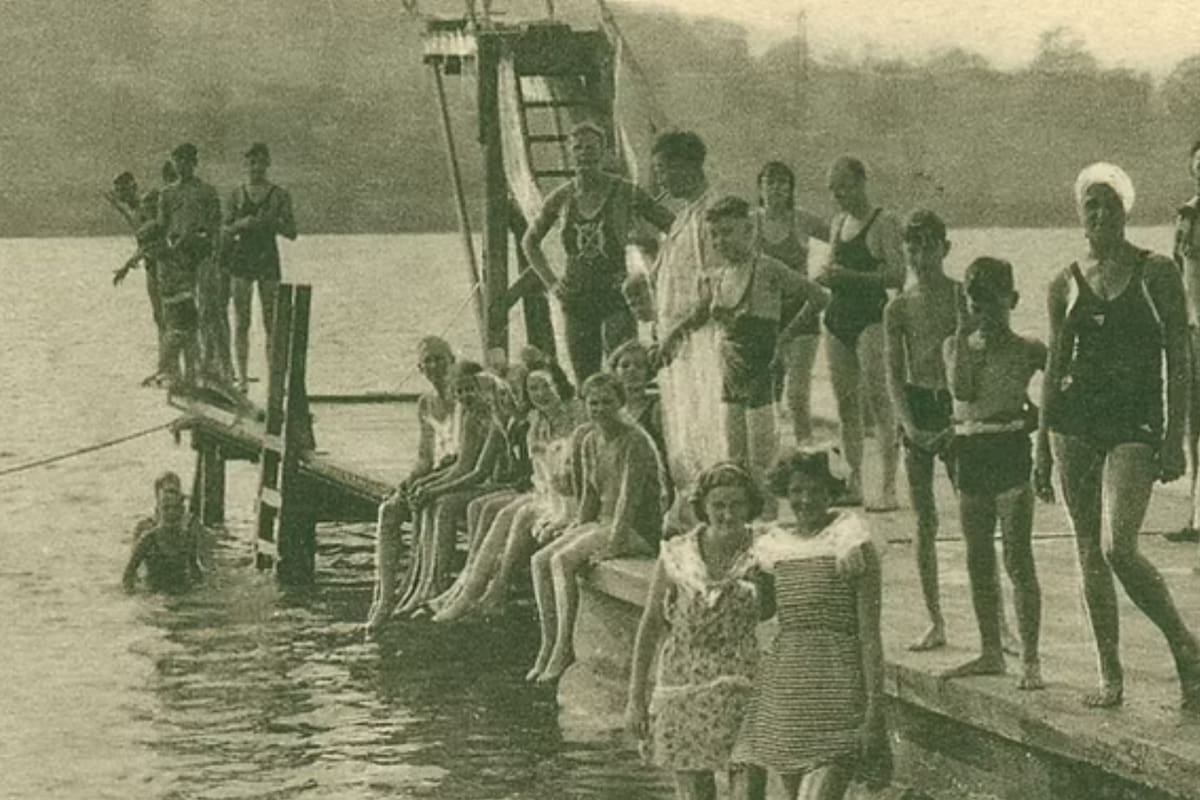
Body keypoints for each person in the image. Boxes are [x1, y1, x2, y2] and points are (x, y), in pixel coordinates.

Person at [1037, 162, 1200, 709]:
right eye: (1091, 205)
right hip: (1074, 424)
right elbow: (1055, 369)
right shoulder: (1064, 281)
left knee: (1119, 547)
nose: (1100, 214)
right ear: (1081, 215)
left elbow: (1180, 360)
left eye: (1109, 204)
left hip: (1135, 422)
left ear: (1125, 211)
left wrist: (1176, 436)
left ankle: (1184, 644)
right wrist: (1040, 448)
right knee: (1087, 550)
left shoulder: (1156, 273)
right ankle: (1110, 674)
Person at [732, 446, 889, 800]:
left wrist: (874, 713)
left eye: (814, 489)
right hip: (787, 692)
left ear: (831, 491)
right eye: (796, 490)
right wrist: (746, 582)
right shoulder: (775, 547)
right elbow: (761, 613)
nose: (804, 499)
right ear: (785, 493)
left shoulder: (853, 544)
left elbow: (870, 636)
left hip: (837, 690)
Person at [661, 196, 829, 495]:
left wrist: (785, 337)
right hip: (730, 380)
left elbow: (818, 296)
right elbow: (698, 316)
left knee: (762, 465)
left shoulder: (766, 270)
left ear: (749, 230)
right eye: (713, 234)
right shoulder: (718, 277)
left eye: (727, 232)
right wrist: (670, 338)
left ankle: (767, 528)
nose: (719, 241)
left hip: (760, 377)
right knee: (733, 462)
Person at [626, 462, 771, 800]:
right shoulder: (677, 553)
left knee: (749, 789)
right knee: (694, 793)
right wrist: (635, 699)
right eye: (718, 505)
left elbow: (774, 611)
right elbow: (649, 626)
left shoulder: (765, 550)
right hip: (683, 682)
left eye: (736, 504)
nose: (727, 513)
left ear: (750, 505)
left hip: (742, 679)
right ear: (703, 506)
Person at [941, 258, 1045, 690]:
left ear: (1012, 300)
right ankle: (990, 650)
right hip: (971, 451)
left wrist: (1039, 418)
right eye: (975, 301)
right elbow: (962, 389)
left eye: (992, 300)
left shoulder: (1029, 348)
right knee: (978, 556)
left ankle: (1032, 659)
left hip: (1009, 449)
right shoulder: (955, 345)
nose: (983, 309)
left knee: (1017, 556)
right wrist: (967, 332)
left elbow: (1060, 392)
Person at [527, 372, 666, 682]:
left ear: (620, 402)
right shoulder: (590, 440)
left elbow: (628, 502)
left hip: (636, 529)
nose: (599, 408)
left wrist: (612, 546)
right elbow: (589, 495)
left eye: (607, 402)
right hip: (604, 521)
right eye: (593, 402)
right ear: (585, 404)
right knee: (540, 560)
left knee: (563, 560)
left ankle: (564, 648)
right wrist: (576, 527)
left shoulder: (635, 441)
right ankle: (547, 643)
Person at [522, 121, 675, 383]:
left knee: (625, 373)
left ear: (603, 152)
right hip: (576, 297)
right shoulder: (562, 197)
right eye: (578, 148)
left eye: (591, 148)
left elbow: (674, 227)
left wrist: (653, 273)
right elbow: (530, 243)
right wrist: (552, 283)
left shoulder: (625, 191)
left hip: (616, 295)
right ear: (571, 153)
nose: (584, 154)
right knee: (586, 380)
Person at [431, 367, 584, 622]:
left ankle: (494, 591)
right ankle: (468, 590)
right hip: (547, 494)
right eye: (533, 388)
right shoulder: (537, 422)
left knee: (518, 513)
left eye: (546, 386)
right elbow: (541, 473)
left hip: (569, 498)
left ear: (559, 385)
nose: (540, 393)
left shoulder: (575, 416)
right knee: (506, 513)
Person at [882, 208, 957, 652]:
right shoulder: (898, 307)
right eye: (912, 245)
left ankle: (998, 624)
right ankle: (936, 619)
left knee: (975, 519)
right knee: (924, 520)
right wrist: (909, 425)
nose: (919, 253)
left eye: (928, 244)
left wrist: (958, 421)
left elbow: (970, 362)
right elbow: (893, 376)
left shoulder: (960, 297)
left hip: (954, 409)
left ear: (944, 249)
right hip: (917, 407)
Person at [818, 156, 905, 510]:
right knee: (846, 405)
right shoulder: (838, 223)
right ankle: (854, 480)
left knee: (879, 400)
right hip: (838, 317)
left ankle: (887, 485)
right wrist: (827, 275)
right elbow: (834, 269)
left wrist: (847, 277)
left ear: (862, 182)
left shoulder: (883, 222)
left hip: (871, 316)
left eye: (845, 186)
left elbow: (898, 275)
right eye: (833, 189)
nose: (839, 195)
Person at [644, 131, 728, 494]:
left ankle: (711, 497)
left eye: (663, 169)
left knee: (704, 425)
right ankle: (693, 500)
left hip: (699, 340)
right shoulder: (682, 218)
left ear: (687, 166)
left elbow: (716, 290)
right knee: (682, 427)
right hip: (676, 344)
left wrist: (675, 333)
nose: (660, 178)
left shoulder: (711, 215)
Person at [394, 361, 511, 619]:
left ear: (484, 389)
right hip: (485, 484)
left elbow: (480, 472)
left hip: (503, 485)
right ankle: (420, 580)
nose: (464, 397)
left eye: (470, 389)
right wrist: (426, 485)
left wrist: (436, 490)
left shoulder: (495, 420)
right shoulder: (471, 417)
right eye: (458, 391)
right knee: (427, 500)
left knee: (445, 504)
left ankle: (438, 581)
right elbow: (462, 465)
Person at [365, 336, 458, 637]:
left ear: (452, 360)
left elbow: (466, 456)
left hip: (456, 476)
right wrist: (407, 482)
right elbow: (424, 457)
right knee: (389, 510)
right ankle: (386, 594)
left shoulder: (463, 396)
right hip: (436, 475)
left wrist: (430, 482)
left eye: (440, 359)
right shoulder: (425, 403)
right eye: (428, 361)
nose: (434, 366)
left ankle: (425, 586)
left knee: (430, 503)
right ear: (420, 367)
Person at [754, 161, 831, 445]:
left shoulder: (802, 220)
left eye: (783, 183)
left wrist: (826, 274)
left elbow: (842, 239)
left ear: (791, 189)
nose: (777, 188)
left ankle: (806, 451)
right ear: (760, 188)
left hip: (802, 314)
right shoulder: (751, 222)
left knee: (797, 395)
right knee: (767, 395)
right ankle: (772, 456)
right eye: (770, 182)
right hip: (765, 315)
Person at [222, 142, 298, 394]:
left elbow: (292, 232)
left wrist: (271, 222)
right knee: (241, 321)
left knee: (271, 322)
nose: (256, 168)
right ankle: (242, 379)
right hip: (242, 258)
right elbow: (225, 229)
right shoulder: (236, 194)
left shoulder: (279, 195)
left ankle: (274, 381)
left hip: (267, 258)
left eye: (260, 162)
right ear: (246, 165)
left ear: (268, 164)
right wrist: (242, 223)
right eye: (251, 163)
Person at [158, 143, 227, 388]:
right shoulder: (167, 194)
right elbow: (162, 228)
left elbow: (216, 225)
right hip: (179, 260)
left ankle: (210, 367)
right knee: (185, 316)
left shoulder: (206, 191)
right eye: (178, 161)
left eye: (187, 161)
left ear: (194, 163)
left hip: (203, 256)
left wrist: (214, 253)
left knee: (208, 311)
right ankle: (188, 370)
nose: (182, 166)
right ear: (173, 163)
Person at [1167, 137, 1200, 544]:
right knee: (1195, 424)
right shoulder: (1186, 216)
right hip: (1193, 330)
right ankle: (1196, 515)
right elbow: (1176, 274)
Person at [122, 472, 204, 593]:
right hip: (154, 593)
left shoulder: (188, 538)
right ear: (158, 510)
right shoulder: (148, 539)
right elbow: (128, 576)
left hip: (182, 592)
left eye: (176, 508)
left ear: (182, 511)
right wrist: (136, 597)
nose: (171, 513)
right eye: (166, 508)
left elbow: (196, 572)